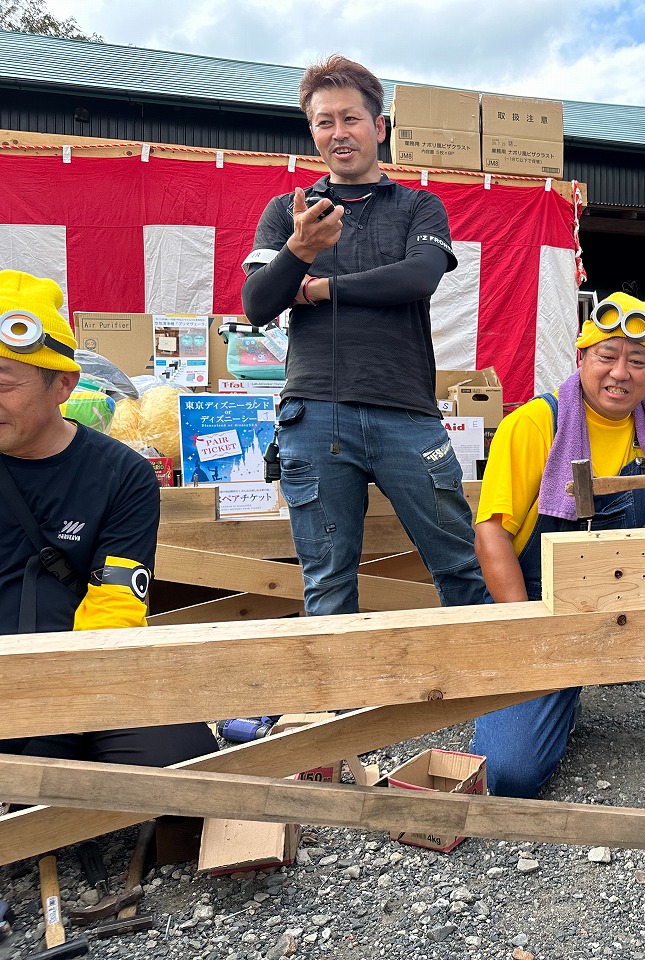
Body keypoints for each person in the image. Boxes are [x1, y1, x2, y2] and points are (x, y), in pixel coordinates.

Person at [241, 54, 486, 615]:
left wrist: (317, 288)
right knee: (326, 581)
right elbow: (257, 304)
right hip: (314, 411)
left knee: (458, 565)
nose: (337, 132)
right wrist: (299, 251)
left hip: (405, 409)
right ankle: (334, 705)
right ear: (312, 132)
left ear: (379, 128)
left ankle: (485, 700)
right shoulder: (289, 212)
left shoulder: (419, 205)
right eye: (324, 121)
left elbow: (417, 278)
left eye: (350, 118)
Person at [470, 292, 645, 798]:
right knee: (510, 777)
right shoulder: (534, 425)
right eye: (607, 356)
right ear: (581, 359)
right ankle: (560, 690)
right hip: (539, 606)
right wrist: (526, 629)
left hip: (625, 598)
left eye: (638, 361)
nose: (620, 373)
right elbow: (491, 532)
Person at [0, 269, 217, 767]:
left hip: (83, 671)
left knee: (183, 758)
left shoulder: (122, 474)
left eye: (4, 384)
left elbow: (116, 601)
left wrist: (60, 711)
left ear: (64, 384)